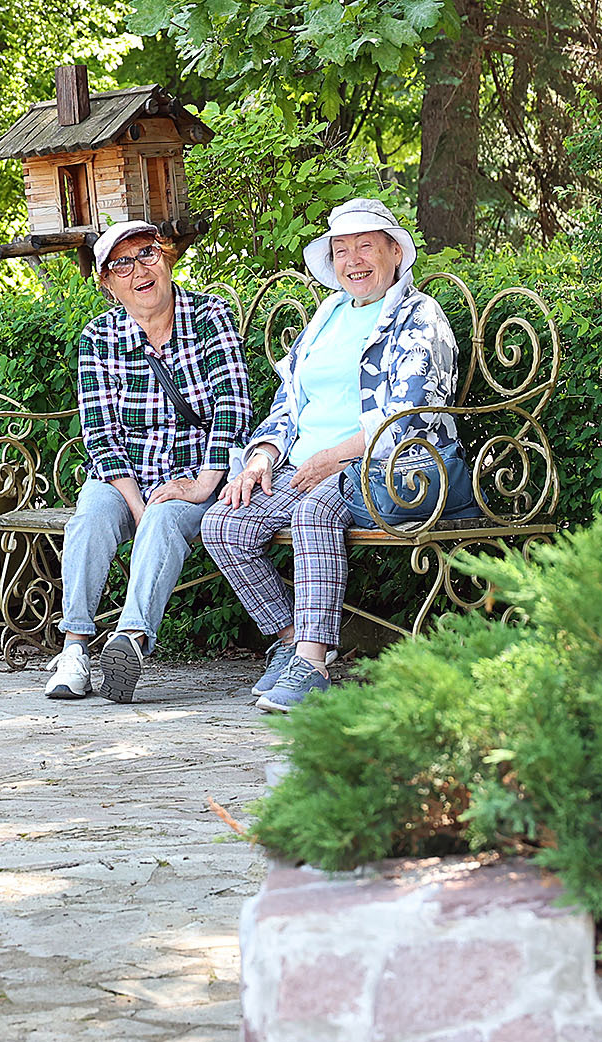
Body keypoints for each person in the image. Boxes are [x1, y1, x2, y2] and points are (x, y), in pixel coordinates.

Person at [202, 198, 463, 714]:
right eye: (341, 251)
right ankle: (289, 641)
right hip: (303, 466)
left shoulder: (417, 316)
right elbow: (288, 402)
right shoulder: (327, 316)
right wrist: (261, 457)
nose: (353, 260)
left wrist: (334, 457)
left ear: (394, 252)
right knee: (224, 525)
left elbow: (411, 412)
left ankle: (313, 664)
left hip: (381, 464)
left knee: (312, 510)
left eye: (366, 246)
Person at [43, 220, 253, 704]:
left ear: (167, 258)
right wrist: (135, 505)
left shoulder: (209, 315)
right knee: (90, 519)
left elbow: (233, 407)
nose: (139, 269)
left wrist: (202, 484)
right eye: (122, 263)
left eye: (147, 254)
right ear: (108, 284)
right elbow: (100, 433)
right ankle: (74, 650)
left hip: (199, 469)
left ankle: (131, 641)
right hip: (125, 476)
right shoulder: (99, 337)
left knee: (164, 516)